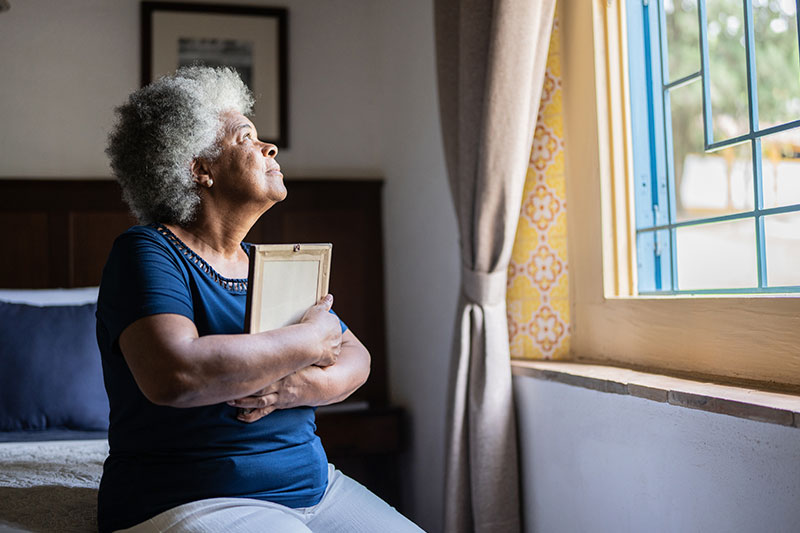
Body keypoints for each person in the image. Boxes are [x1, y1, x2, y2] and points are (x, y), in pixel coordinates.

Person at [97, 66, 423, 533]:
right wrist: (308, 341)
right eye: (245, 137)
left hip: (317, 490)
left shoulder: (271, 262)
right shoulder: (146, 251)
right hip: (196, 499)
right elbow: (177, 373)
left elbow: (356, 358)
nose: (268, 146)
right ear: (200, 168)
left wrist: (291, 388)